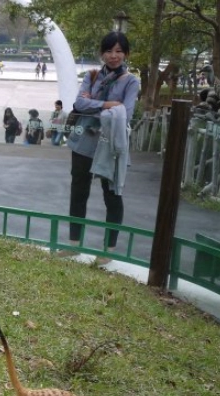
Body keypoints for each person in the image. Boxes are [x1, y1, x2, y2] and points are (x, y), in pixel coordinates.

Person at [64, 31, 140, 258]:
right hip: (84, 143)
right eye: (108, 51)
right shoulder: (93, 75)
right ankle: (73, 244)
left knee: (112, 195)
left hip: (110, 145)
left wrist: (93, 104)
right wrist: (107, 104)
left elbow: (124, 113)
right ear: (101, 53)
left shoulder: (131, 81)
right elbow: (78, 103)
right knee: (78, 192)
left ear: (126, 54)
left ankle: (109, 251)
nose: (113, 56)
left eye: (118, 51)